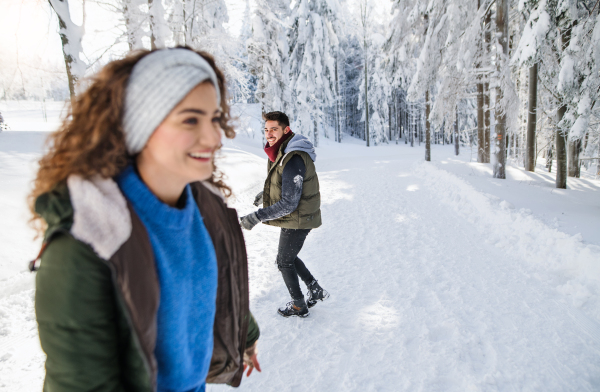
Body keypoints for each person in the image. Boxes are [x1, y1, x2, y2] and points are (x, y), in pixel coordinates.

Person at [28, 47, 260, 392]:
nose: (215, 137)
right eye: (190, 120)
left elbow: (218, 283)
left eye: (214, 118)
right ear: (141, 123)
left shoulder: (204, 203)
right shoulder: (90, 240)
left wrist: (245, 334)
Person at [240, 111, 329, 318]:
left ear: (286, 130)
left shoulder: (293, 157)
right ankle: (314, 288)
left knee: (284, 261)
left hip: (299, 216)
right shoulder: (283, 150)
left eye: (274, 129)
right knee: (287, 257)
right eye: (266, 129)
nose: (269, 134)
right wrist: (267, 194)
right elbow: (286, 184)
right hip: (298, 215)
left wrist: (257, 216)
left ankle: (299, 305)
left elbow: (289, 202)